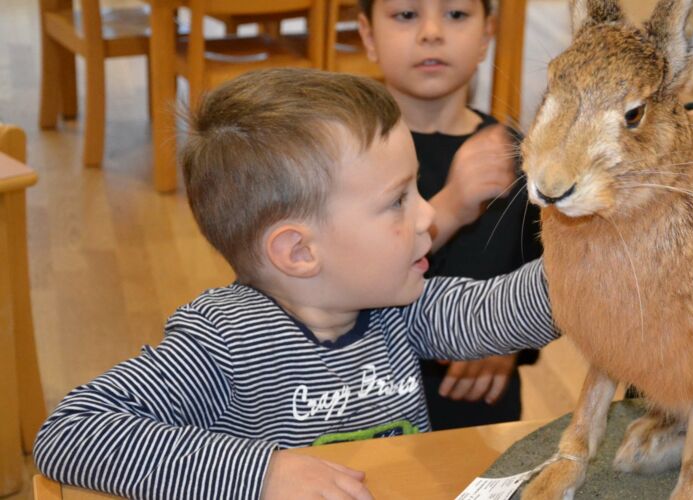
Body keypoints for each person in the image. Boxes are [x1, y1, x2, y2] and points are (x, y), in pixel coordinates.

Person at [32, 68, 556, 499]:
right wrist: (262, 474)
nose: (426, 218)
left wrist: (602, 264)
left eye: (417, 189)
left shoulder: (402, 305)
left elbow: (506, 308)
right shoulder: (224, 339)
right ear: (300, 252)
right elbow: (71, 431)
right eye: (398, 200)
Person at [355, 0, 544, 429]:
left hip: (482, 411)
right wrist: (452, 205)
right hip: (369, 406)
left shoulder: (519, 153)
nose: (432, 32)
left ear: (486, 35)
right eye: (406, 15)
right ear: (368, 36)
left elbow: (545, 279)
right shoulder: (344, 157)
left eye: (456, 14)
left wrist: (510, 342)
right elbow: (342, 281)